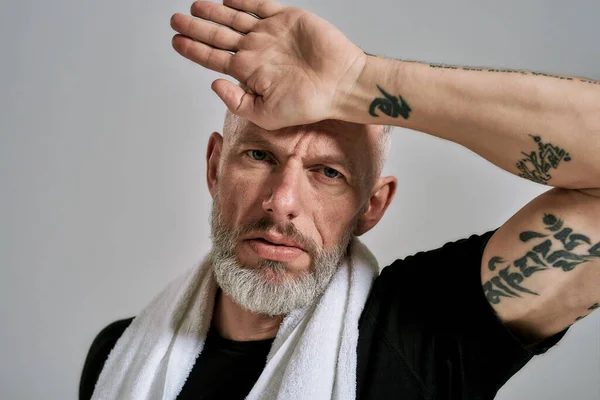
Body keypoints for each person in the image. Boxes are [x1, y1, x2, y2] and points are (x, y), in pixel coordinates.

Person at [80, 0, 600, 399]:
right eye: (259, 156)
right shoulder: (116, 355)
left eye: (327, 172)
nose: (281, 202)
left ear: (372, 205)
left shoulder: (421, 335)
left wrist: (359, 82)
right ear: (215, 167)